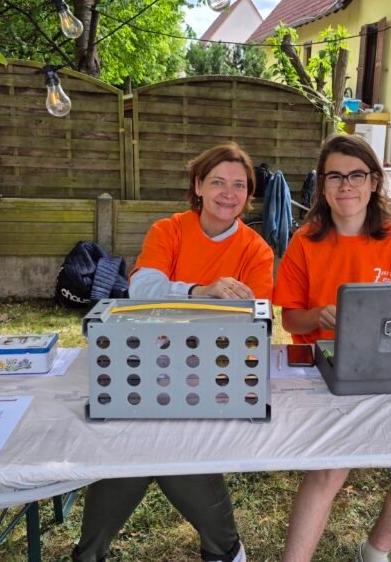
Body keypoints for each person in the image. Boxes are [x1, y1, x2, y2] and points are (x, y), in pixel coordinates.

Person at [73, 143, 274, 562]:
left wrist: (181, 312)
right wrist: (202, 293)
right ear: (198, 186)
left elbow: (252, 324)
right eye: (217, 181)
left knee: (153, 445)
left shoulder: (256, 250)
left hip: (216, 372)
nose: (228, 193)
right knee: (146, 438)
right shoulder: (170, 230)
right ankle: (224, 550)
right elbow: (140, 289)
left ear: (249, 195)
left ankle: (90, 555)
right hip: (150, 363)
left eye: (239, 185)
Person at [273, 134, 391, 562]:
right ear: (323, 185)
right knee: (331, 468)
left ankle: (375, 550)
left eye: (356, 175)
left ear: (373, 182)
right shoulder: (305, 240)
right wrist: (318, 316)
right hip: (325, 374)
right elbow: (289, 320)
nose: (346, 185)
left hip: (387, 368)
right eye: (335, 176)